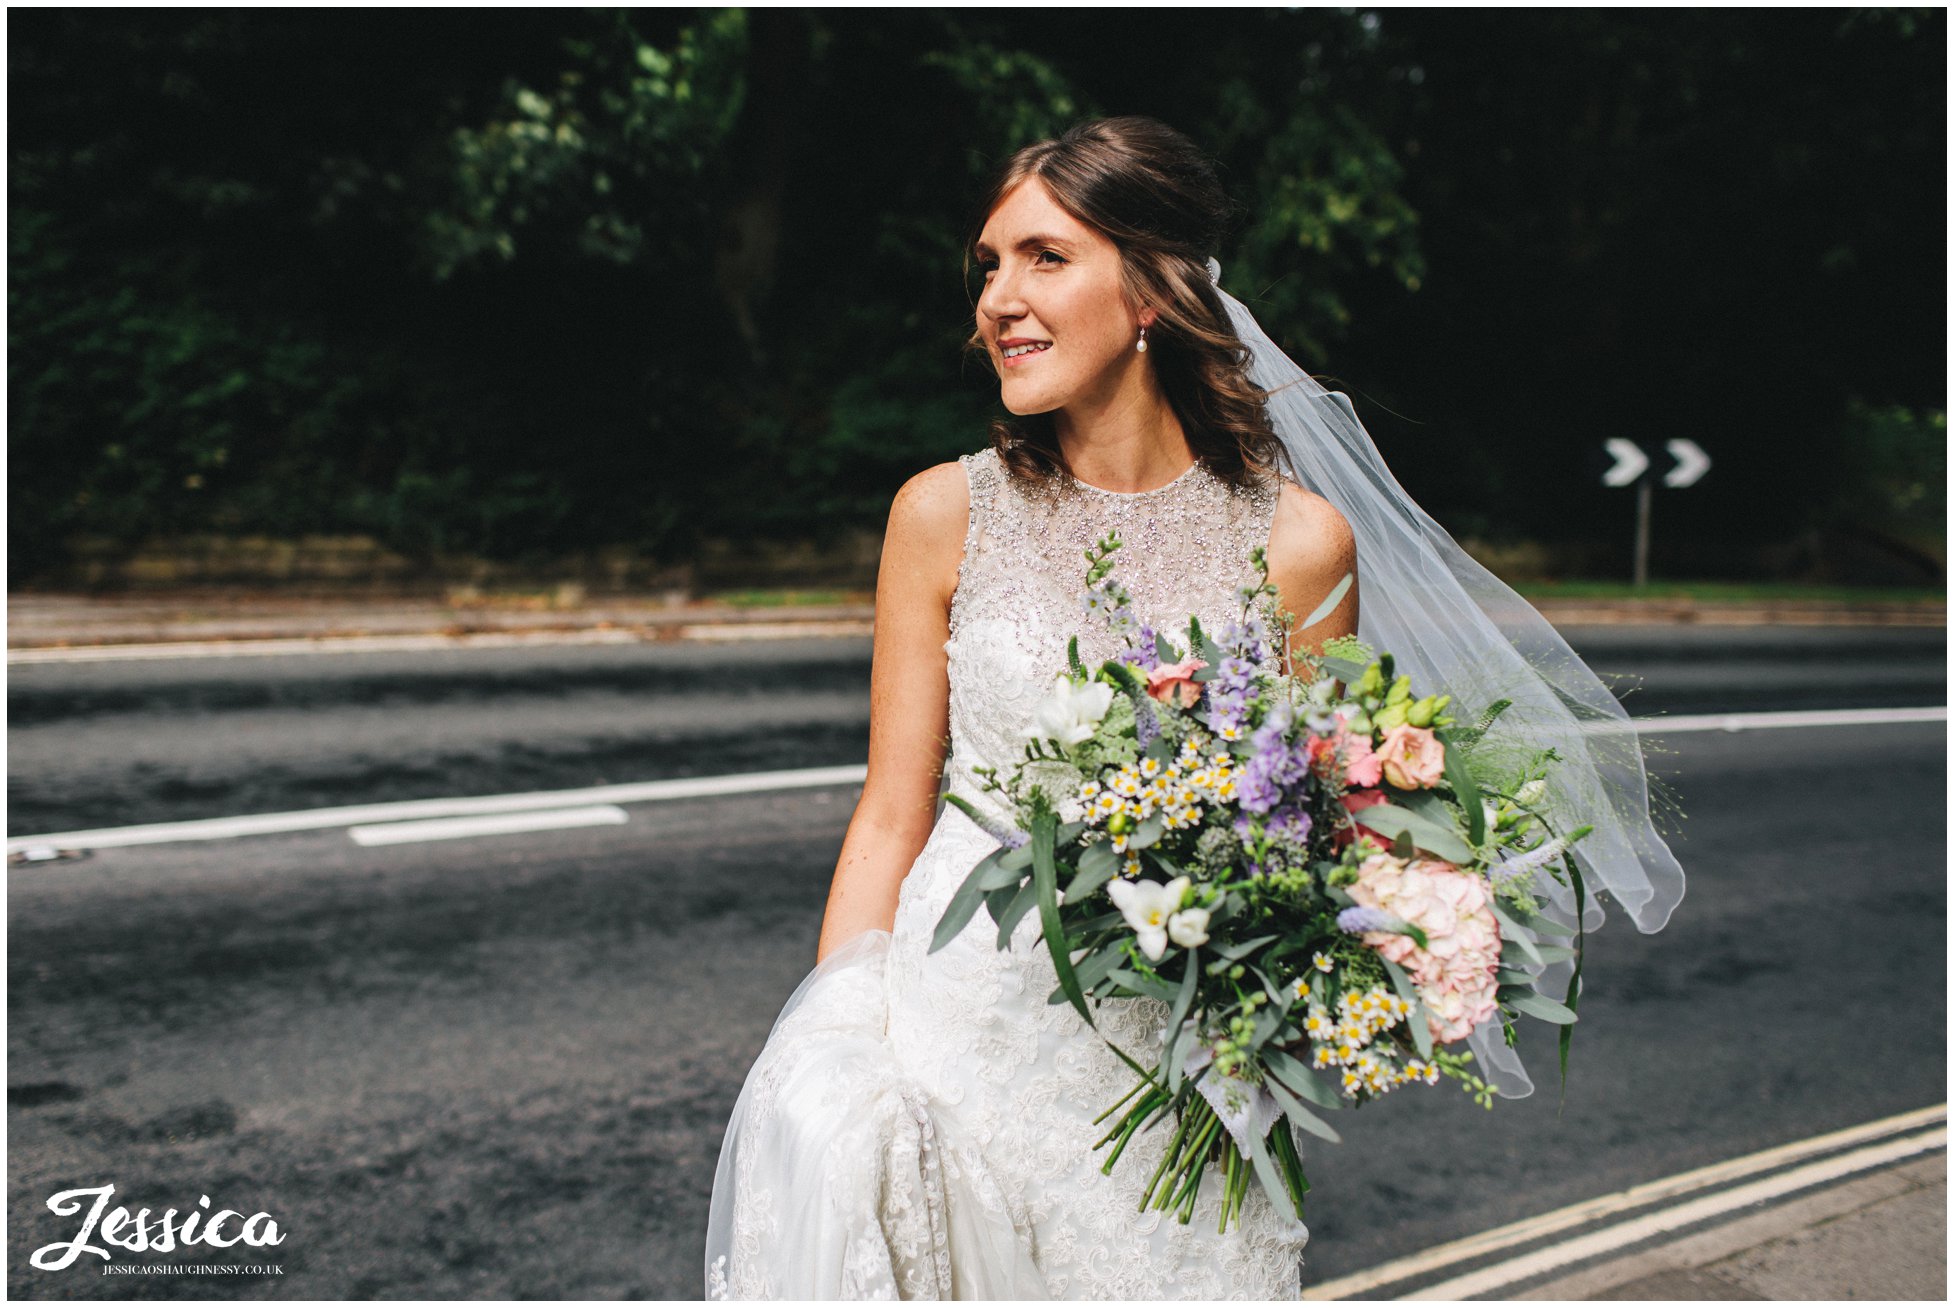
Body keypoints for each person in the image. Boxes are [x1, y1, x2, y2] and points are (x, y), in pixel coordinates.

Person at [704, 116, 1353, 1300]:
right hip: (960, 1045)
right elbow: (892, 812)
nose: (1000, 296)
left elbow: (1312, 842)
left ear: (1153, 289)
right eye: (991, 263)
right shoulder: (943, 515)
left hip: (1178, 1078)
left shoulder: (1299, 546)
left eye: (1046, 257)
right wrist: (838, 1045)